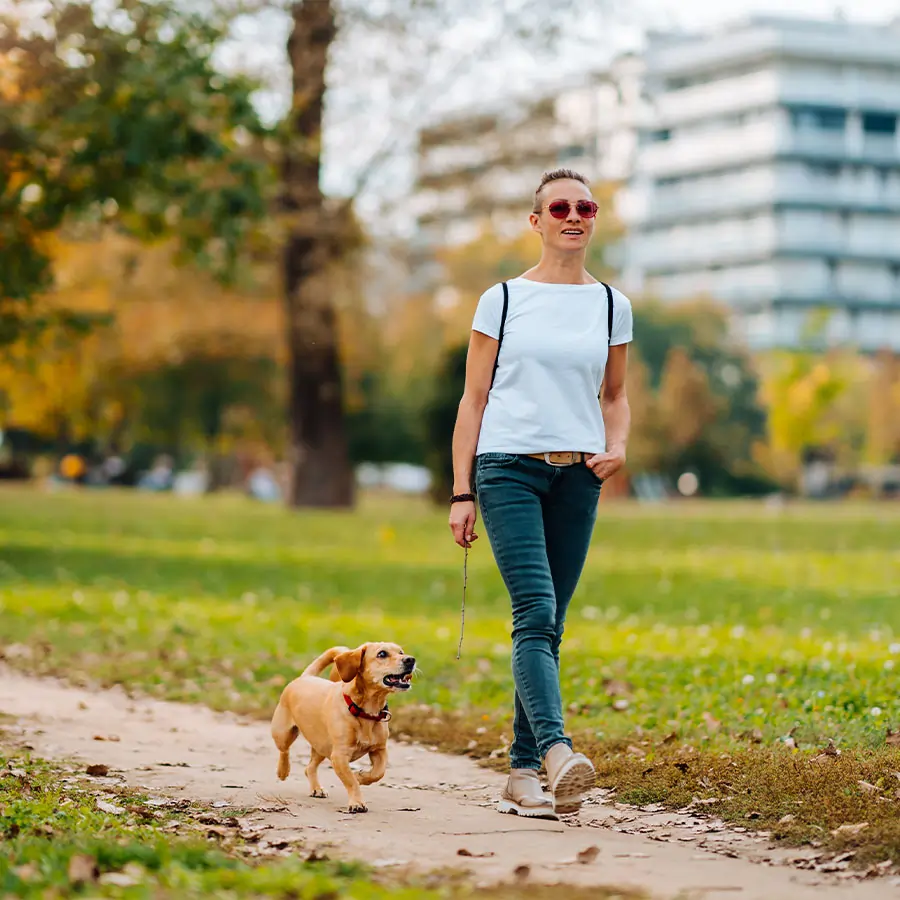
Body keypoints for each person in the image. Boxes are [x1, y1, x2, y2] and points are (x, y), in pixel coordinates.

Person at [448, 168, 633, 819]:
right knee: (535, 610)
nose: (574, 215)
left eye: (586, 206)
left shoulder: (612, 303)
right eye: (560, 206)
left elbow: (615, 395)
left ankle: (523, 774)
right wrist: (460, 490)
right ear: (537, 220)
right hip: (507, 470)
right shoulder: (501, 299)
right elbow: (472, 400)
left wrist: (618, 445)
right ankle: (557, 752)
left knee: (548, 625)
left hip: (578, 476)